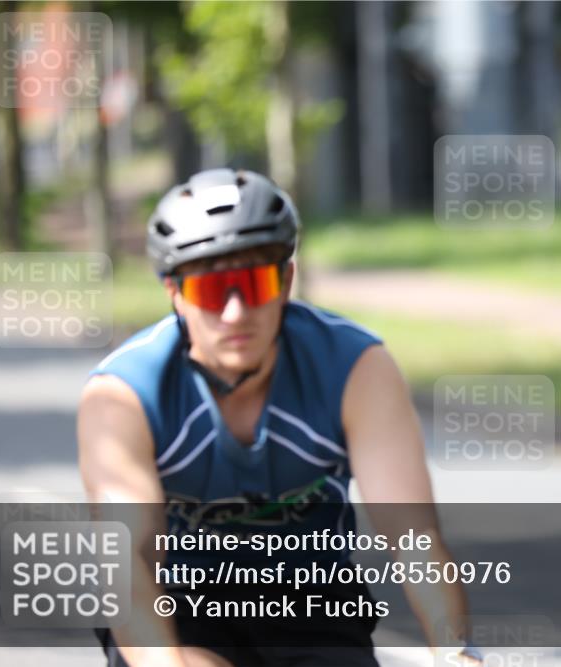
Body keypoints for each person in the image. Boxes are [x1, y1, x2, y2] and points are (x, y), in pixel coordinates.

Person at [78, 168, 482, 667]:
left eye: (253, 282)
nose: (234, 312)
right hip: (178, 607)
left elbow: (412, 538)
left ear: (287, 279)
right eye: (211, 289)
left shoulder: (355, 367)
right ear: (174, 293)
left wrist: (456, 651)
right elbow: (132, 566)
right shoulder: (123, 395)